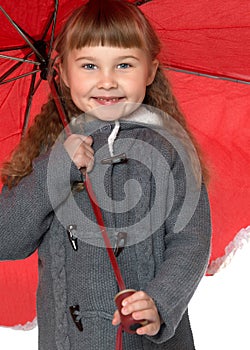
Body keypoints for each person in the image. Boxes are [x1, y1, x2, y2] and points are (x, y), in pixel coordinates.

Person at [0, 0, 211, 349]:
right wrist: (55, 171)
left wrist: (159, 302)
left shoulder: (170, 151)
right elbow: (6, 238)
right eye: (88, 66)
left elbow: (191, 241)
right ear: (63, 73)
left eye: (124, 64)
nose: (107, 81)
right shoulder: (51, 152)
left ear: (150, 70)